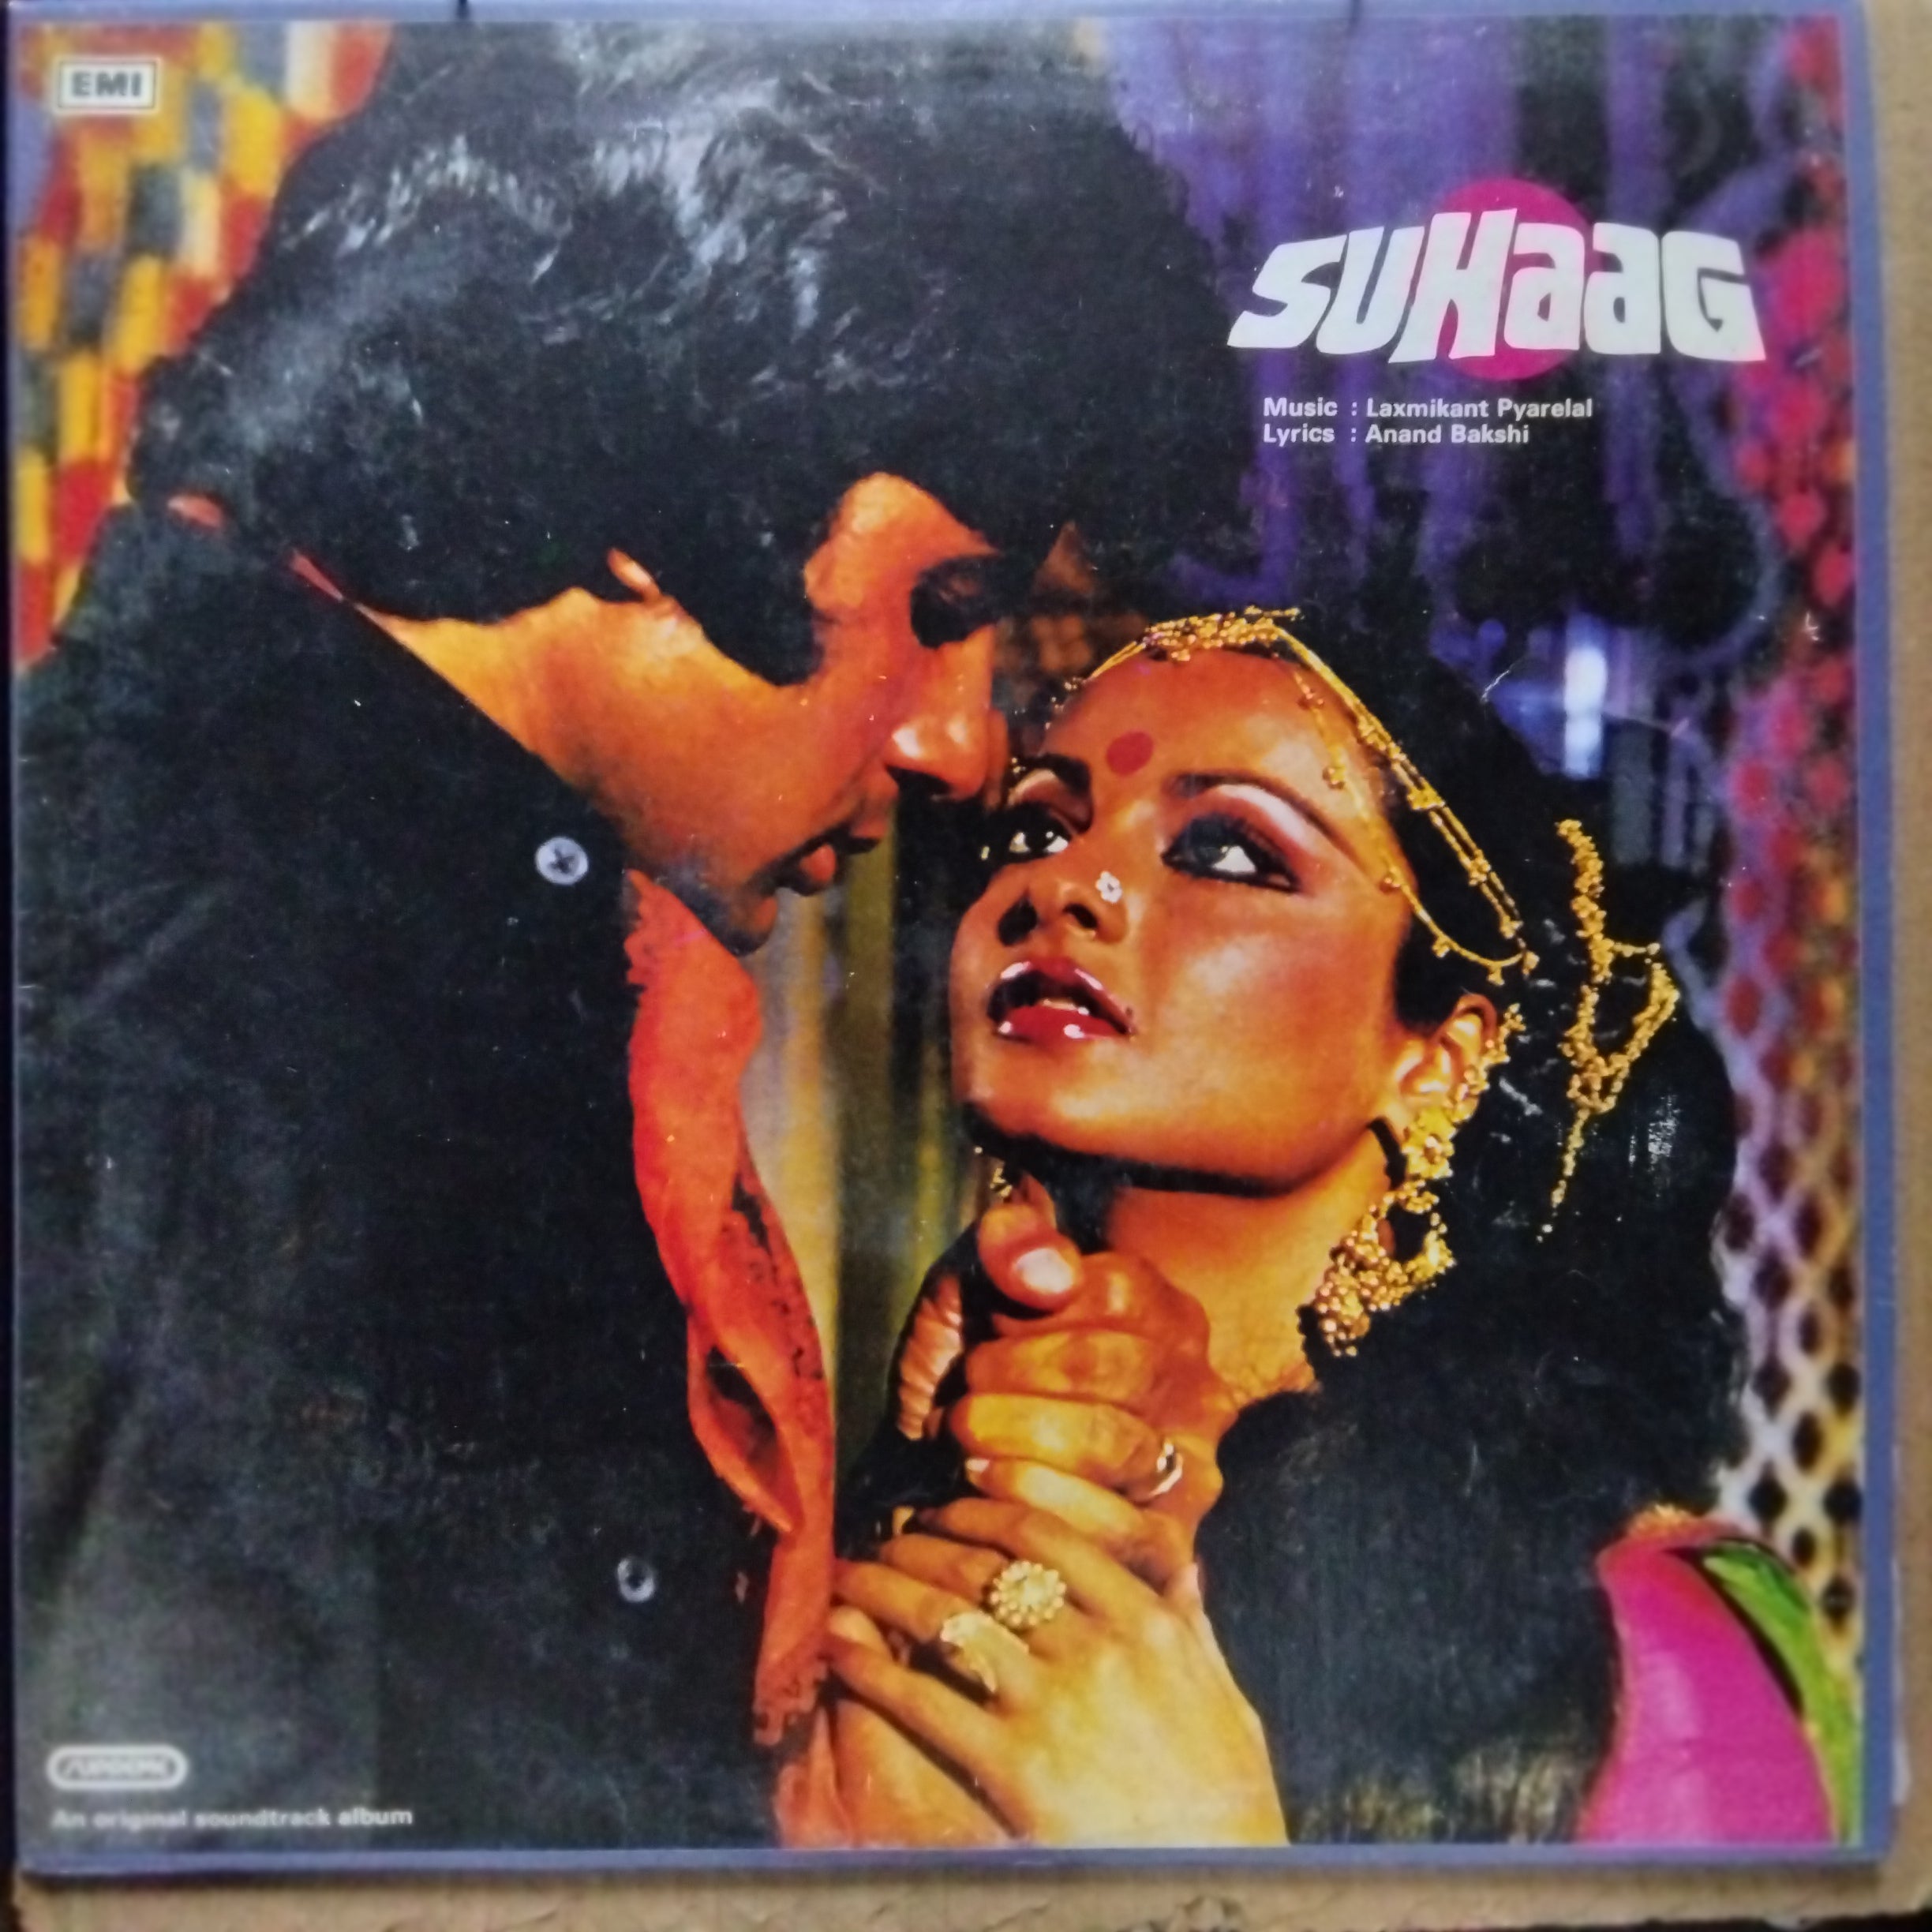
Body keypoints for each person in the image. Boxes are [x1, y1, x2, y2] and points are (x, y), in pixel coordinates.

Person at [14, 26, 1249, 1855]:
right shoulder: (172, 1004)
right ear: (670, 469)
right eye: (945, 606)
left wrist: (919, 1511)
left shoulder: (441, 934)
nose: (961, 744)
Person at [826, 609, 1854, 1847]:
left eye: (1227, 850)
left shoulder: (1648, 1643)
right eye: (1037, 827)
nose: (1063, 884)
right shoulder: (894, 1509)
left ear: (1440, 1054)